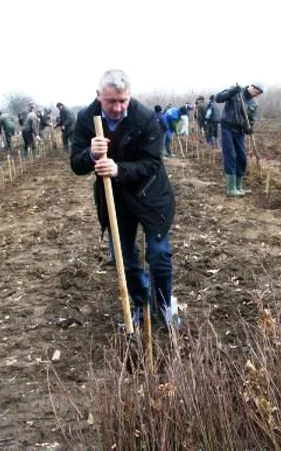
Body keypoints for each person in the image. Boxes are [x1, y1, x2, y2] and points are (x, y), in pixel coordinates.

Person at [70, 69, 178, 329]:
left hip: (151, 195)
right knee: (125, 259)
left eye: (123, 100)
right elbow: (76, 164)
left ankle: (164, 305)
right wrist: (91, 155)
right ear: (99, 96)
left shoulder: (144, 117)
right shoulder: (87, 118)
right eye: (111, 102)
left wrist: (118, 169)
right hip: (116, 199)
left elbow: (153, 162)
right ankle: (142, 305)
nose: (117, 108)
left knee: (159, 255)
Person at [215, 82, 263, 197]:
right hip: (227, 127)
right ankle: (231, 189)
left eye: (258, 93)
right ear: (251, 87)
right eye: (256, 91)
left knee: (242, 156)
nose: (256, 94)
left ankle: (239, 186)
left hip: (239, 131)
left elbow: (250, 120)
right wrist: (232, 91)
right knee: (231, 155)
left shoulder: (253, 103)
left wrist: (249, 128)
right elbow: (218, 98)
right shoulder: (236, 91)